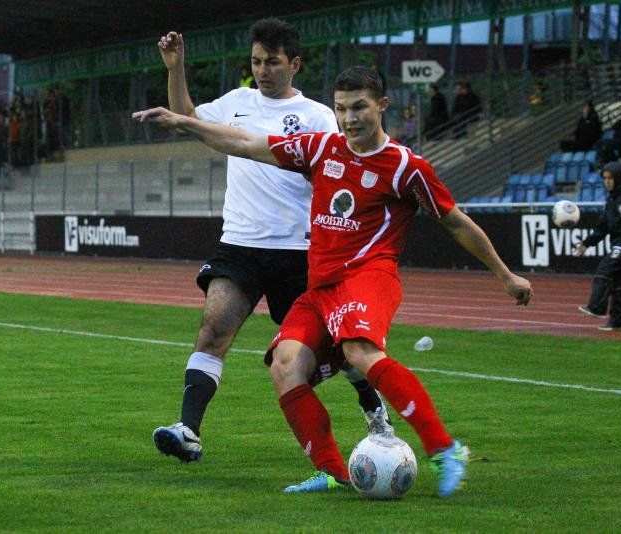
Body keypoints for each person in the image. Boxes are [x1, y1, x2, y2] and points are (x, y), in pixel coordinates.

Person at [134, 65, 533, 497]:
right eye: (341, 109)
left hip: (368, 276)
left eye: (359, 107)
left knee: (358, 350)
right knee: (286, 365)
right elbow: (247, 143)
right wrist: (186, 123)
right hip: (321, 285)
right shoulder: (322, 148)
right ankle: (331, 472)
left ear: (382, 105)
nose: (349, 118)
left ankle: (444, 448)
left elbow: (455, 222)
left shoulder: (405, 166)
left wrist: (505, 275)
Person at [151, 19, 392, 484]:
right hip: (239, 244)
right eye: (256, 61)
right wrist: (175, 68)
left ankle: (373, 409)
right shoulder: (236, 102)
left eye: (272, 62)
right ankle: (188, 430)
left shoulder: (318, 115)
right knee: (213, 331)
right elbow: (187, 117)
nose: (262, 70)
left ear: (294, 64)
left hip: (299, 251)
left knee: (337, 349)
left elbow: (340, 170)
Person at [575, 161, 621, 332]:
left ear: (619, 178)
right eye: (605, 178)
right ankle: (618, 321)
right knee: (618, 283)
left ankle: (597, 307)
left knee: (605, 269)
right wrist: (586, 243)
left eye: (610, 178)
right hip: (620, 245)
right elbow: (602, 228)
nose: (607, 182)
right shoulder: (611, 201)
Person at [595, 100, 621, 166]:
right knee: (599, 143)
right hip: (618, 139)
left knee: (607, 146)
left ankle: (611, 162)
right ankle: (603, 161)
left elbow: (618, 126)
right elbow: (615, 126)